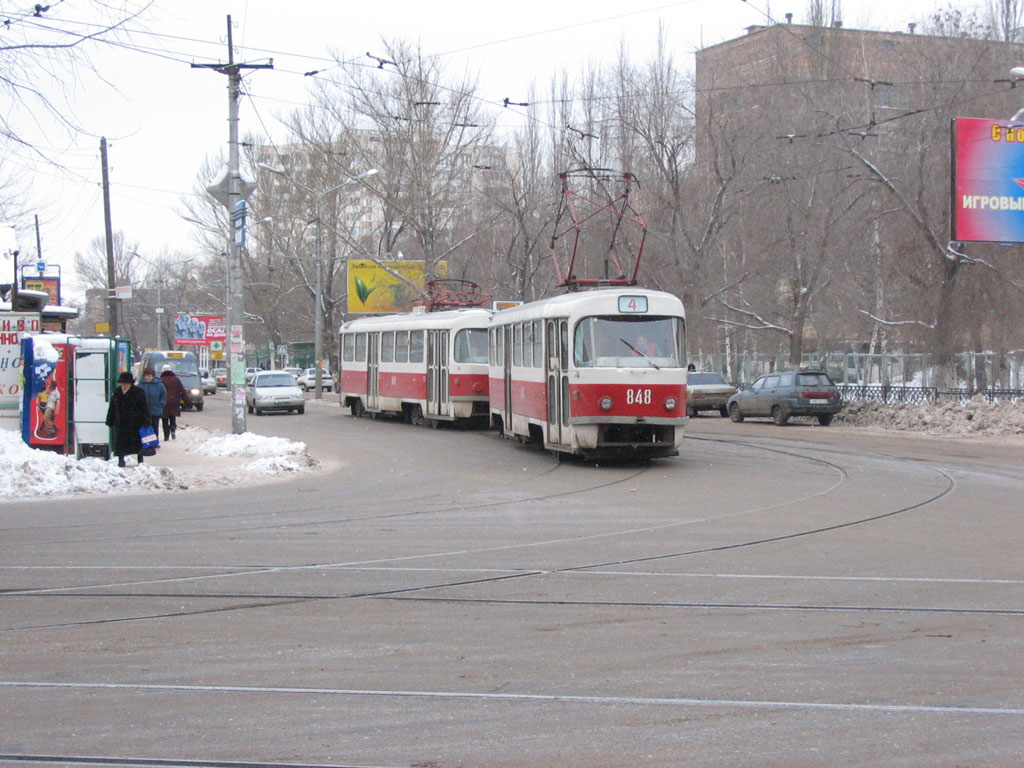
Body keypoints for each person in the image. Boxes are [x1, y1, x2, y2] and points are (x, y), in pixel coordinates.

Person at [105, 371, 150, 467]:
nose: (124, 386)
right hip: (120, 423)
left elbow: (144, 407)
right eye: (122, 383)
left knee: (137, 442)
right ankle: (121, 460)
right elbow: (112, 407)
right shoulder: (117, 392)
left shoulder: (138, 392)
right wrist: (110, 419)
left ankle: (140, 458)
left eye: (126, 384)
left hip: (135, 422)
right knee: (120, 442)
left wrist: (146, 420)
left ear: (130, 384)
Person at [159, 364, 192, 441]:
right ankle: (173, 430)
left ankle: (166, 436)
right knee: (172, 418)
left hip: (164, 403)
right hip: (174, 402)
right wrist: (188, 403)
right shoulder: (176, 379)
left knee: (164, 420)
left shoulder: (161, 380)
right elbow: (183, 392)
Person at [137, 366, 167, 439]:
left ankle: (155, 441)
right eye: (146, 376)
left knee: (154, 426)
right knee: (144, 427)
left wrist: (161, 404)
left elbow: (164, 394)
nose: (147, 378)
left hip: (155, 409)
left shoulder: (159, 385)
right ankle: (145, 441)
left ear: (153, 376)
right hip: (143, 411)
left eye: (149, 376)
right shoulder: (140, 385)